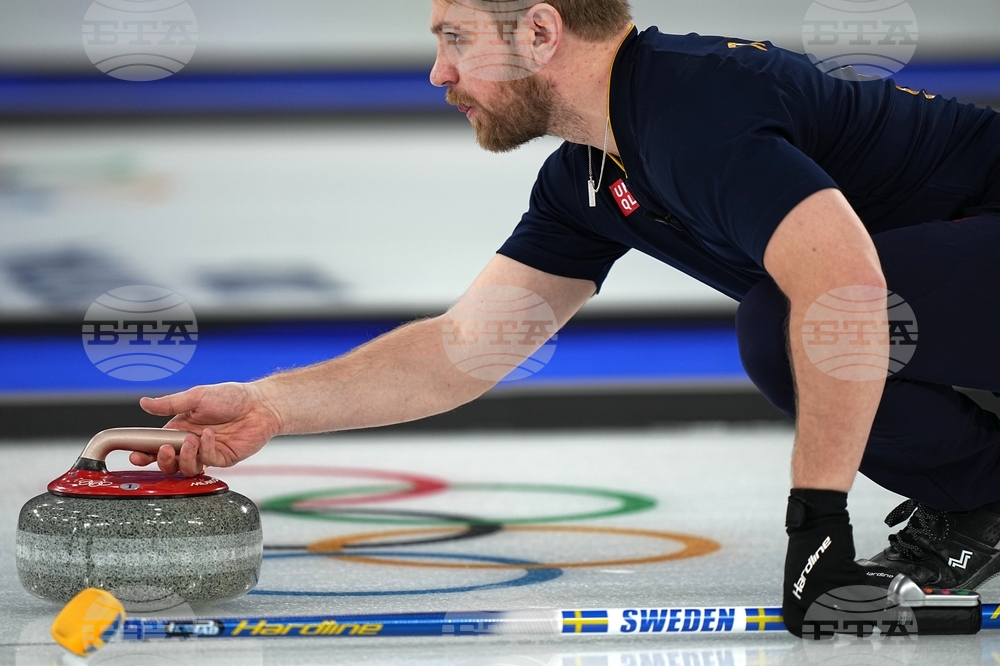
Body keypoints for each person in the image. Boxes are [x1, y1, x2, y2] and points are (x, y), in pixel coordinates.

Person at [133, 0, 1000, 636]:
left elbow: (843, 291)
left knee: (785, 323)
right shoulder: (585, 178)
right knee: (784, 325)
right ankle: (980, 498)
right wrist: (273, 404)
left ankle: (979, 499)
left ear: (540, 33)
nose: (439, 73)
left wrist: (817, 524)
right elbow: (462, 349)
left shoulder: (695, 107)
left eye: (455, 39)